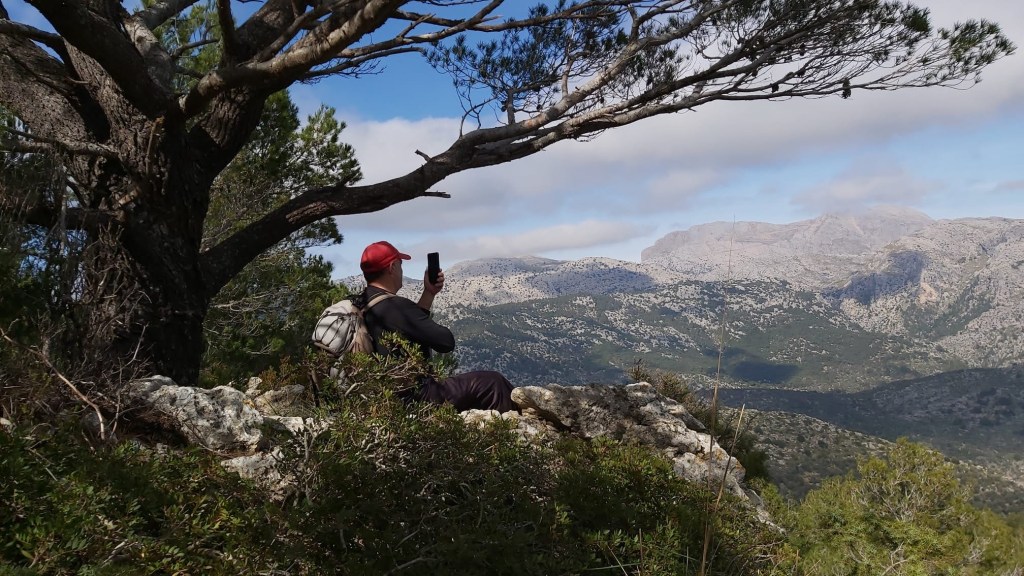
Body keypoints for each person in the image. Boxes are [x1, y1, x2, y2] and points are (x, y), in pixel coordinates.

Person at [354, 240, 519, 413]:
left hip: (379, 398)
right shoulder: (395, 306)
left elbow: (409, 327)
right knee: (493, 382)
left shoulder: (359, 303)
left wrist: (429, 293)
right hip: (415, 398)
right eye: (401, 265)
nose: (402, 271)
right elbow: (445, 342)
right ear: (392, 267)